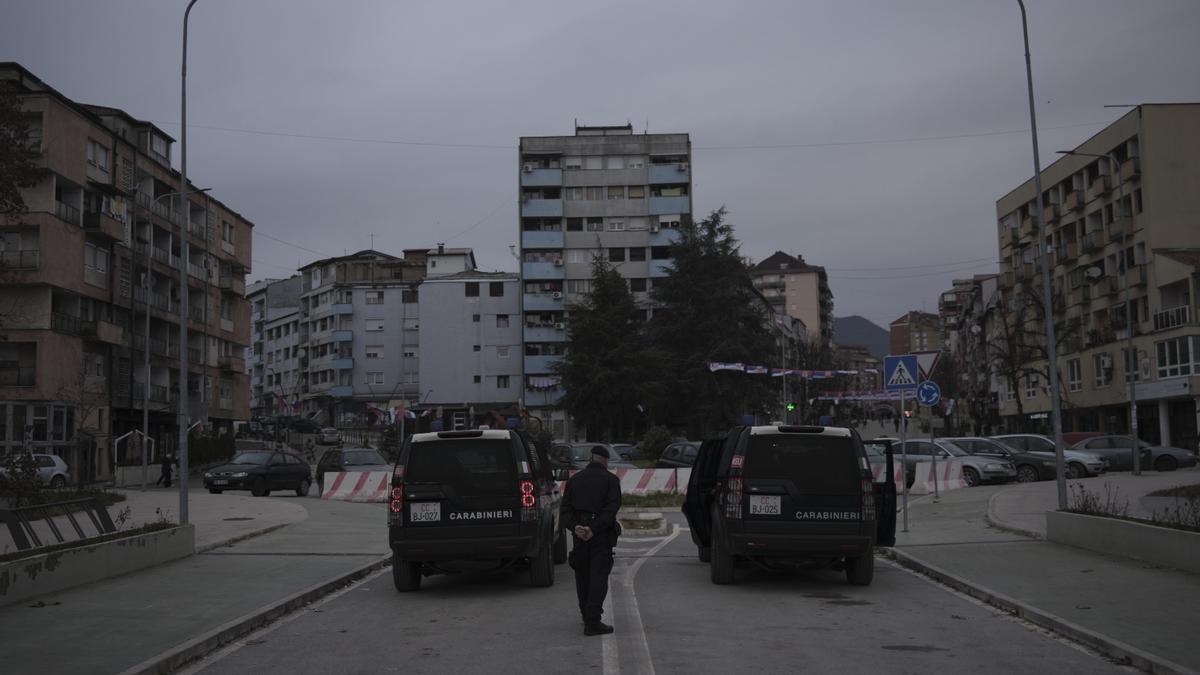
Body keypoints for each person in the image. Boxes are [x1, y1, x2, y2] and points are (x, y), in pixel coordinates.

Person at [559, 446, 622, 636]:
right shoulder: (611, 480)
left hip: (579, 535)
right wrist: (593, 529)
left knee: (582, 576)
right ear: (605, 460)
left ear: (591, 458)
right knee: (598, 578)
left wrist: (576, 527)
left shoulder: (575, 480)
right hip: (599, 535)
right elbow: (611, 510)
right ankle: (593, 622)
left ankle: (585, 615)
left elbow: (565, 510)